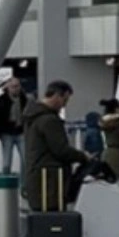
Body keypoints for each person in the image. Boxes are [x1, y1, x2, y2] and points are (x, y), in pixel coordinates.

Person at [23, 80, 90, 211]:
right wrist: (83, 156)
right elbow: (61, 150)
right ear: (57, 96)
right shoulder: (49, 120)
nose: (64, 105)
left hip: (38, 176)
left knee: (42, 216)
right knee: (54, 216)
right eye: (65, 100)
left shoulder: (33, 116)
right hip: (50, 180)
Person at [0, 77, 27, 175]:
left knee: (26, 160)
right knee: (7, 162)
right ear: (8, 88)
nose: (16, 89)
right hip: (6, 132)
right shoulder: (1, 100)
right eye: (13, 87)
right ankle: (6, 181)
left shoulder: (24, 99)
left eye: (17, 86)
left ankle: (24, 182)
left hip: (21, 131)